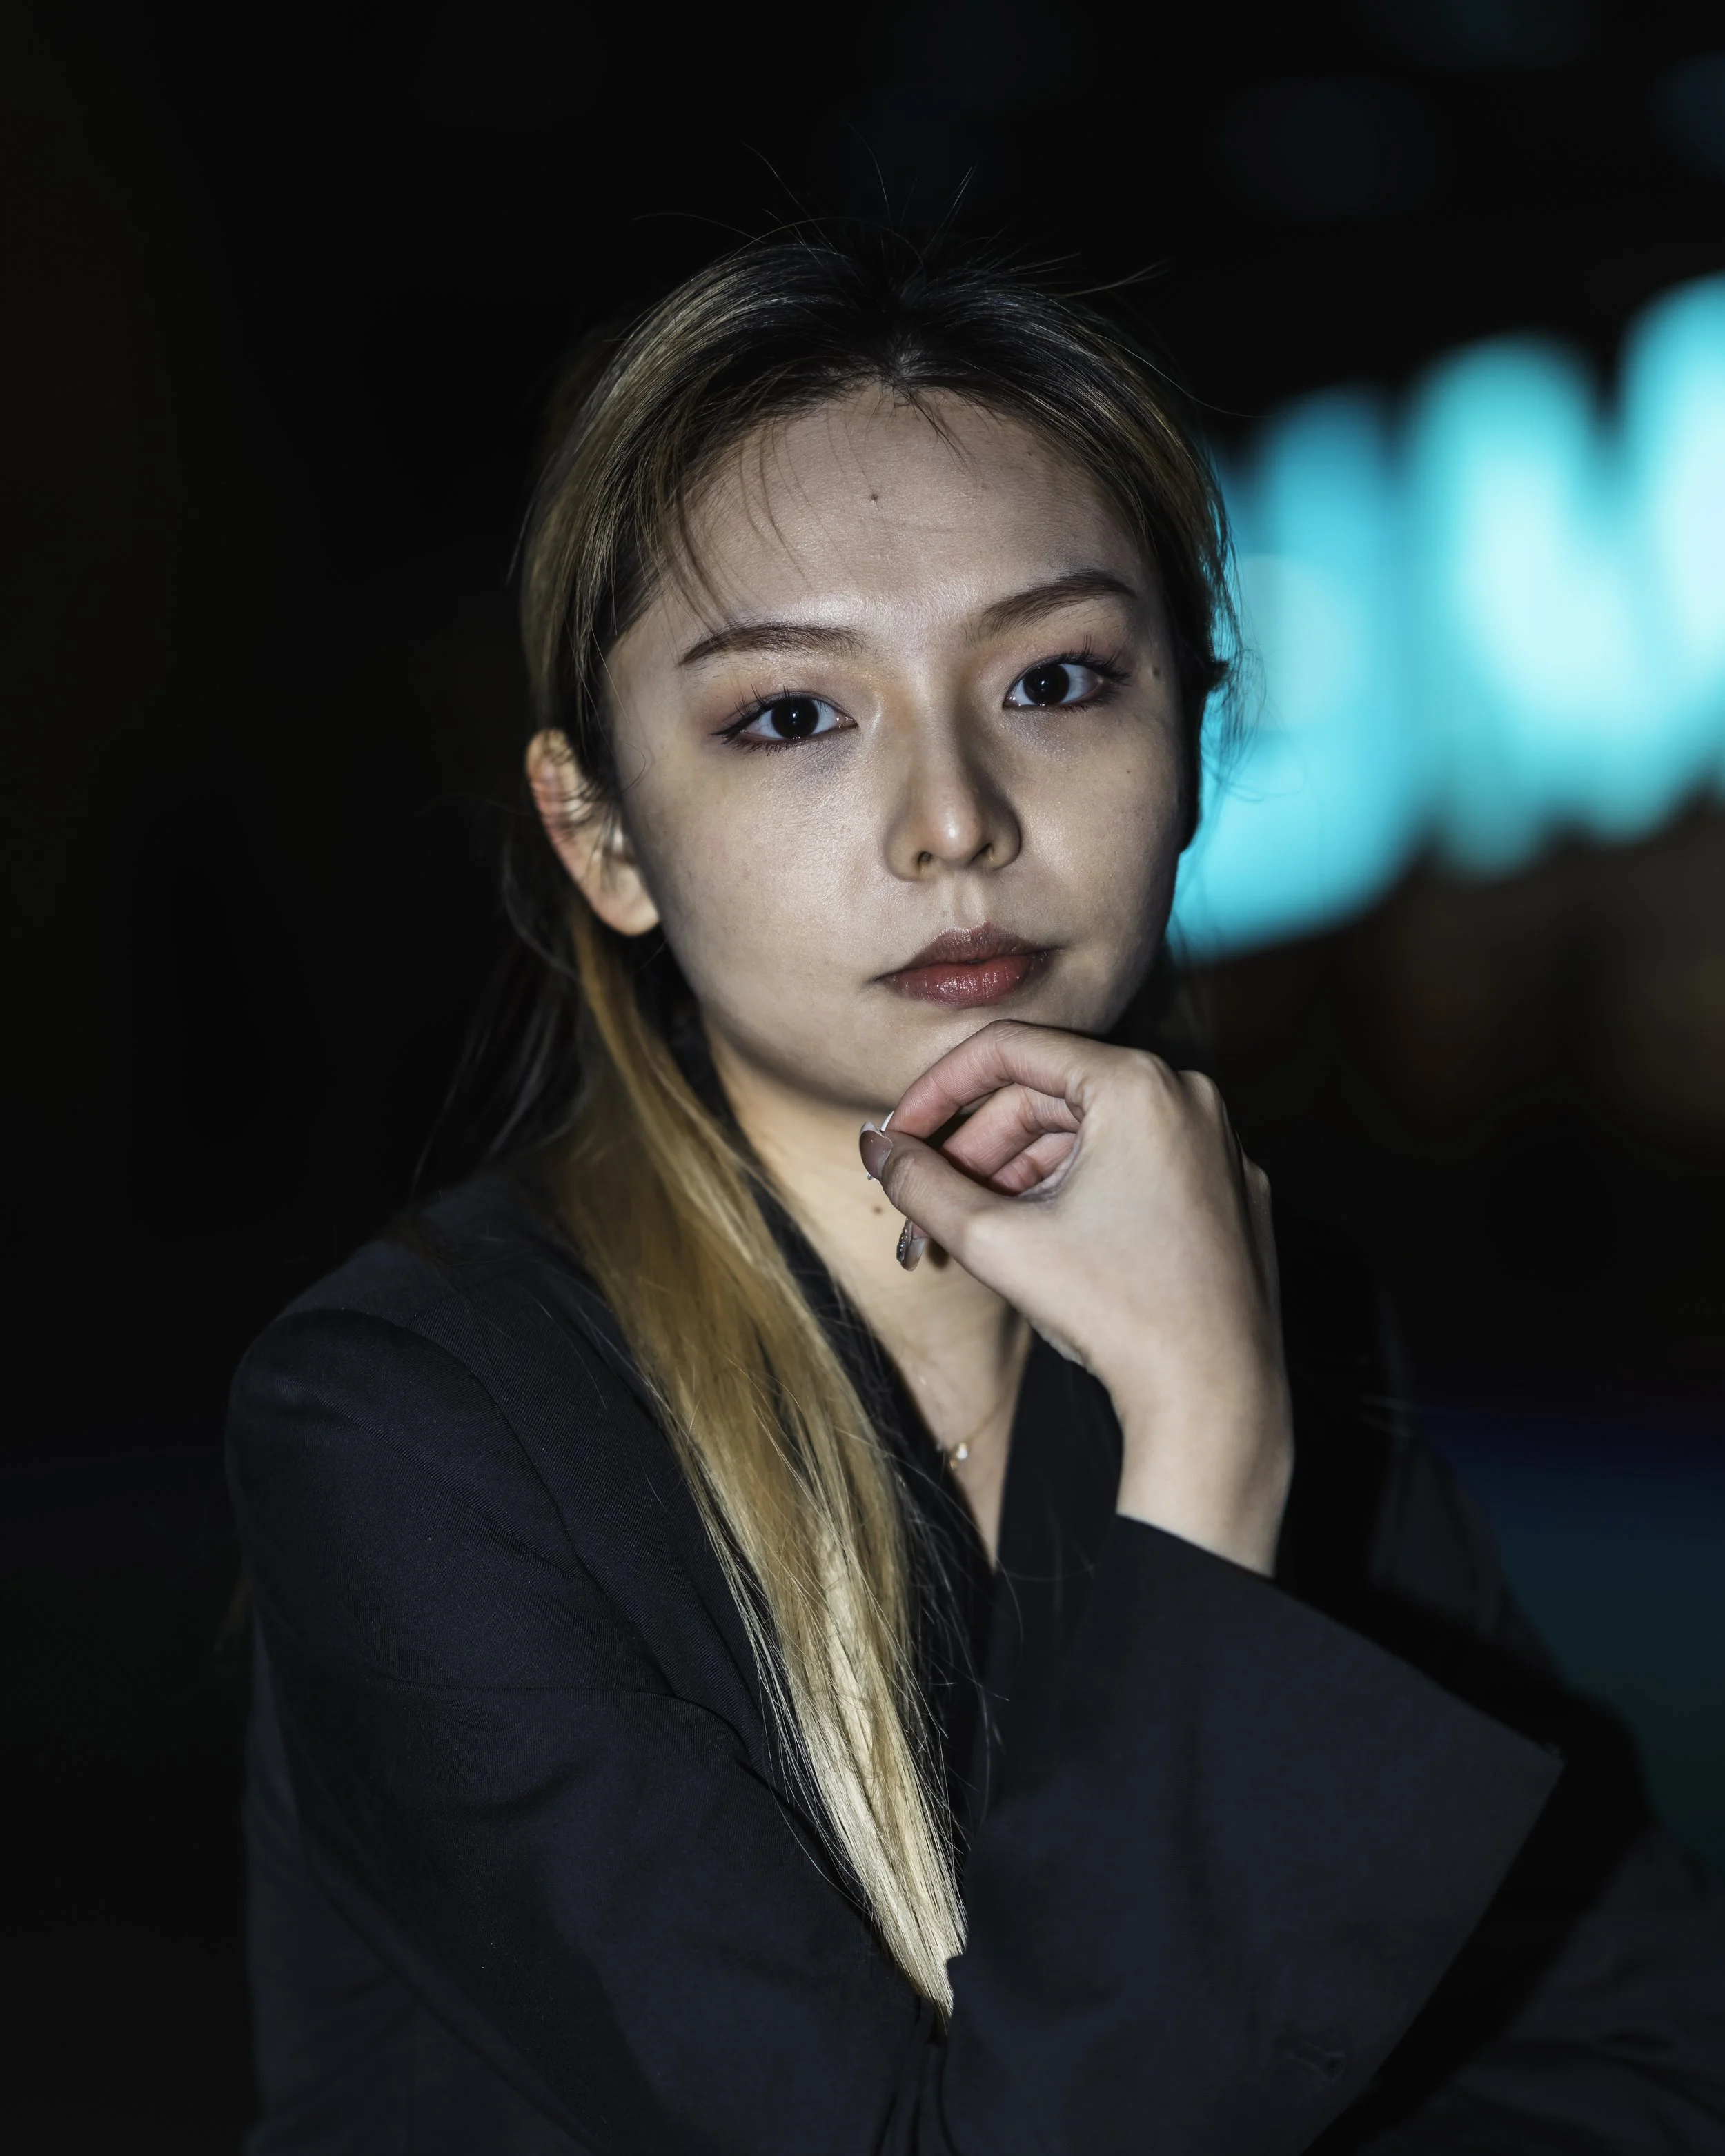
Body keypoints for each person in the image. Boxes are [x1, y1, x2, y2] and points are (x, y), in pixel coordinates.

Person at [228, 233, 1725, 2154]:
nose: (953, 820)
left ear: (1193, 741)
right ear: (597, 832)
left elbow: (1638, 2061)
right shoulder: (406, 1420)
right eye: (790, 713)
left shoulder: (1262, 1298)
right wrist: (1206, 1449)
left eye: (1055, 679)